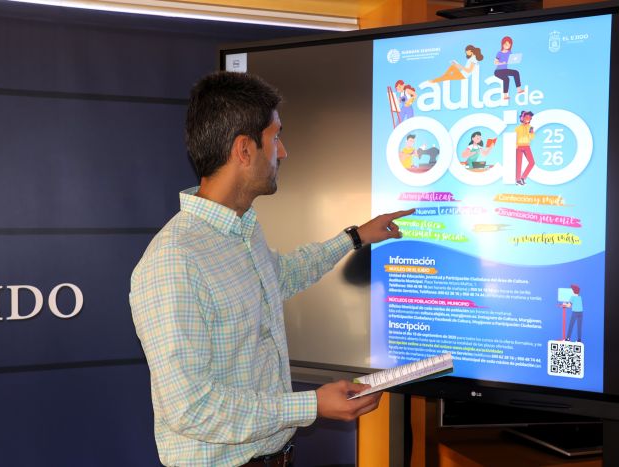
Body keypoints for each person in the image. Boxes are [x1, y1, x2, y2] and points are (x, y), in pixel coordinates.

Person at [129, 71, 414, 467]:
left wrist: (355, 237)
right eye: (275, 137)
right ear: (244, 150)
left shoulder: (241, 230)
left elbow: (281, 275)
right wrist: (311, 404)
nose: (283, 152)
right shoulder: (174, 260)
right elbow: (190, 407)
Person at [494, 36, 523, 100]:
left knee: (515, 73)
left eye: (509, 44)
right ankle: (505, 95)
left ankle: (518, 89)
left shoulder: (510, 52)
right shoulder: (499, 53)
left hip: (504, 70)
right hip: (498, 71)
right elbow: (495, 62)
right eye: (506, 44)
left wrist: (515, 60)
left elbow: (512, 59)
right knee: (507, 79)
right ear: (502, 44)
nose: (507, 46)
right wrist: (501, 63)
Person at [515, 110, 536, 185]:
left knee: (532, 162)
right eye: (526, 117)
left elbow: (532, 137)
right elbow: (514, 137)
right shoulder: (517, 128)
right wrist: (515, 145)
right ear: (522, 118)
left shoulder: (530, 127)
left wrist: (531, 132)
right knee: (518, 163)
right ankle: (518, 180)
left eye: (529, 118)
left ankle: (523, 177)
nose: (528, 119)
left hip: (527, 146)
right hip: (518, 146)